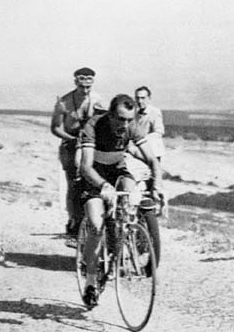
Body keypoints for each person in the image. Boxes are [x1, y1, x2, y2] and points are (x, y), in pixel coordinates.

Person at [79, 94, 163, 308]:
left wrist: (158, 184)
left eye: (128, 120)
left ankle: (126, 230)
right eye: (119, 119)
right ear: (109, 114)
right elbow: (85, 167)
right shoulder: (93, 125)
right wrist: (103, 186)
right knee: (96, 226)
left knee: (130, 190)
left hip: (117, 170)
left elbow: (153, 160)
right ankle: (90, 280)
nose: (124, 125)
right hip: (95, 177)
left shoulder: (131, 126)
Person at [51, 67, 105, 242]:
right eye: (82, 84)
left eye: (89, 84)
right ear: (76, 82)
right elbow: (55, 128)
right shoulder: (64, 102)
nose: (85, 89)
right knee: (74, 184)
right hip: (71, 145)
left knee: (93, 181)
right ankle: (74, 222)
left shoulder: (97, 100)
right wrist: (72, 139)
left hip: (90, 145)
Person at [134, 86, 165, 161]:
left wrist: (142, 139)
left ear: (149, 98)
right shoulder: (135, 112)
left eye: (143, 98)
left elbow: (159, 132)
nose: (140, 101)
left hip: (153, 151)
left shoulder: (155, 112)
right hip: (139, 151)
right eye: (137, 98)